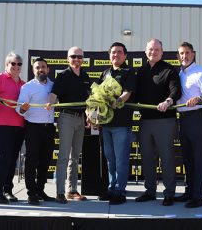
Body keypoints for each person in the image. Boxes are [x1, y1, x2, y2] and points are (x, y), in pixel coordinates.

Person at [134, 38, 181, 206]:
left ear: (162, 52)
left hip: (165, 121)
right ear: (146, 51)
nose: (153, 52)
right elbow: (133, 94)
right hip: (145, 121)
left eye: (156, 50)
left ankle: (169, 193)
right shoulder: (140, 71)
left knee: (167, 158)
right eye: (150, 49)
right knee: (147, 158)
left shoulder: (169, 70)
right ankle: (150, 191)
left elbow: (176, 90)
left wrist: (168, 101)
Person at [174, 42, 202, 208]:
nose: (184, 56)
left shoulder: (200, 73)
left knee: (198, 158)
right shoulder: (180, 73)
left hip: (196, 118)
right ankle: (189, 191)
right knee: (187, 158)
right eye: (181, 53)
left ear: (193, 54)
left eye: (187, 53)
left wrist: (199, 99)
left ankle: (198, 197)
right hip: (182, 118)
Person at [46, 46, 91, 204]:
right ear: (68, 58)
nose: (76, 59)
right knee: (64, 156)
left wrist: (90, 117)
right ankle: (60, 192)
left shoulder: (85, 76)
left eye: (79, 56)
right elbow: (53, 95)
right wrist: (50, 103)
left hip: (81, 119)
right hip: (66, 118)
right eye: (73, 56)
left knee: (75, 157)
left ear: (83, 59)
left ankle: (72, 190)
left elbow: (89, 101)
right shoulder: (63, 75)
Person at [96, 42, 136, 205]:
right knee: (110, 159)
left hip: (121, 124)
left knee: (121, 159)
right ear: (109, 55)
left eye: (120, 52)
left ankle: (120, 191)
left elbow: (128, 92)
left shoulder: (129, 72)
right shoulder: (105, 73)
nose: (116, 55)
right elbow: (97, 95)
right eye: (113, 52)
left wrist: (117, 100)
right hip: (106, 124)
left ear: (125, 56)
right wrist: (96, 114)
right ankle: (112, 188)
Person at [0, 52, 25, 204]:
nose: (16, 66)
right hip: (1, 124)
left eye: (19, 64)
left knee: (13, 158)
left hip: (19, 124)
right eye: (13, 63)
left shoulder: (23, 84)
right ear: (7, 64)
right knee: (5, 156)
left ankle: (8, 190)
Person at [16, 58, 56, 205]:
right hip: (33, 127)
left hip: (49, 127)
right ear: (33, 71)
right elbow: (19, 108)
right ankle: (31, 193)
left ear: (48, 69)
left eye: (43, 67)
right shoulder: (27, 87)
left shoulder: (54, 86)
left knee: (45, 162)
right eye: (37, 67)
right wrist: (22, 109)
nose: (41, 70)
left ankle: (40, 190)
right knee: (32, 161)